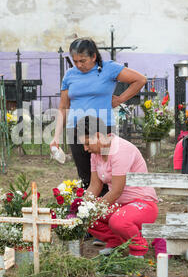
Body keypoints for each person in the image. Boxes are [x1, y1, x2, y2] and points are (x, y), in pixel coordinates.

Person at [50, 37, 147, 246]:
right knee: (87, 177)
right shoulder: (70, 75)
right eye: (75, 61)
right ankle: (93, 225)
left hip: (102, 129)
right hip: (76, 130)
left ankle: (111, 223)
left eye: (83, 60)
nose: (79, 65)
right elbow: (63, 107)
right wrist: (56, 137)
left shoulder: (109, 69)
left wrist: (120, 99)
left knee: (108, 178)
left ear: (94, 56)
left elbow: (140, 80)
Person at [77, 115, 159, 258]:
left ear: (97, 136)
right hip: (120, 206)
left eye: (87, 143)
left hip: (143, 205)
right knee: (85, 216)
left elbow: (116, 191)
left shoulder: (120, 150)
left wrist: (93, 208)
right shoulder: (96, 154)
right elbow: (95, 185)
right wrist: (81, 206)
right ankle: (115, 243)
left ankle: (138, 249)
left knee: (118, 221)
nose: (85, 148)